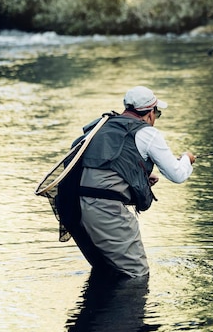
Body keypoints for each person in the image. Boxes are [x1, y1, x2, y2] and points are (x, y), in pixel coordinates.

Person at [79, 85, 195, 278]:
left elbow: (101, 168)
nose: (155, 118)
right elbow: (177, 175)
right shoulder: (148, 133)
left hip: (75, 208)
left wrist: (135, 177)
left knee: (107, 271)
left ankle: (96, 308)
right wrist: (187, 158)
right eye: (157, 113)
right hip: (107, 211)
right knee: (136, 275)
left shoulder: (103, 125)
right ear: (149, 113)